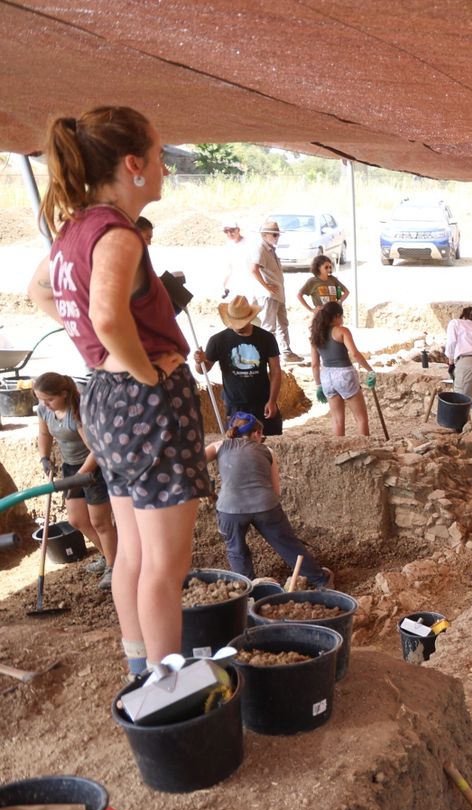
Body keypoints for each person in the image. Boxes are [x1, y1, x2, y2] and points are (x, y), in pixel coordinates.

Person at [27, 104, 209, 676]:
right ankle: (171, 689)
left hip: (105, 400)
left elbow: (40, 291)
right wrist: (143, 370)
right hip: (145, 400)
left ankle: (142, 672)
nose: (163, 169)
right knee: (164, 563)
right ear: (132, 164)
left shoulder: (74, 227)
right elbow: (108, 317)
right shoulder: (117, 233)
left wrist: (101, 357)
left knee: (131, 551)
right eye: (158, 158)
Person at [206, 412, 330, 588]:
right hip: (265, 505)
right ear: (256, 433)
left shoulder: (218, 446)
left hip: (229, 509)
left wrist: (207, 488)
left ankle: (245, 592)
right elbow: (276, 490)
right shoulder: (268, 451)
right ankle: (319, 580)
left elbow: (193, 464)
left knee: (236, 550)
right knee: (288, 545)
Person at [33, 372, 117, 590]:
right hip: (71, 468)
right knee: (77, 520)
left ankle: (114, 566)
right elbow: (44, 434)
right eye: (41, 399)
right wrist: (44, 456)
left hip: (94, 468)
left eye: (49, 399)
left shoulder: (78, 411)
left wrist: (82, 475)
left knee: (100, 522)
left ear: (63, 394)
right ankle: (108, 556)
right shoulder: (45, 409)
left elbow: (96, 449)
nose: (44, 404)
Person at [197, 295, 282, 434]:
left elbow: (276, 371)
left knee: (268, 440)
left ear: (249, 318)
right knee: (237, 444)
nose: (239, 327)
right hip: (234, 404)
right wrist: (199, 361)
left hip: (262, 401)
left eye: (242, 322)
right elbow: (203, 370)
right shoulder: (217, 340)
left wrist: (272, 400)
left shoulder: (266, 338)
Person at [309, 301, 375, 436]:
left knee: (337, 420)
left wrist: (319, 386)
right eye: (342, 317)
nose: (342, 320)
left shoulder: (315, 335)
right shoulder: (341, 331)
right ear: (337, 315)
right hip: (344, 374)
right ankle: (365, 450)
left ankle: (339, 451)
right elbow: (355, 354)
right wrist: (370, 370)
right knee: (360, 418)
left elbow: (315, 365)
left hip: (326, 376)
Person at [252, 219, 299, 362]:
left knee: (282, 323)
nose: (277, 237)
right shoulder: (260, 249)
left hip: (277, 293)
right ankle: (267, 356)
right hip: (269, 295)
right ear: (265, 235)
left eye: (277, 234)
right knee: (269, 327)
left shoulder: (270, 250)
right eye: (274, 235)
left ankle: (285, 351)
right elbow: (253, 269)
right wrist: (266, 286)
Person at [218, 220, 250, 299]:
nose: (229, 233)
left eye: (231, 230)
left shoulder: (249, 243)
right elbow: (229, 268)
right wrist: (223, 284)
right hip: (236, 285)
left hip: (250, 285)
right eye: (226, 231)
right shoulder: (229, 246)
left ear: (238, 230)